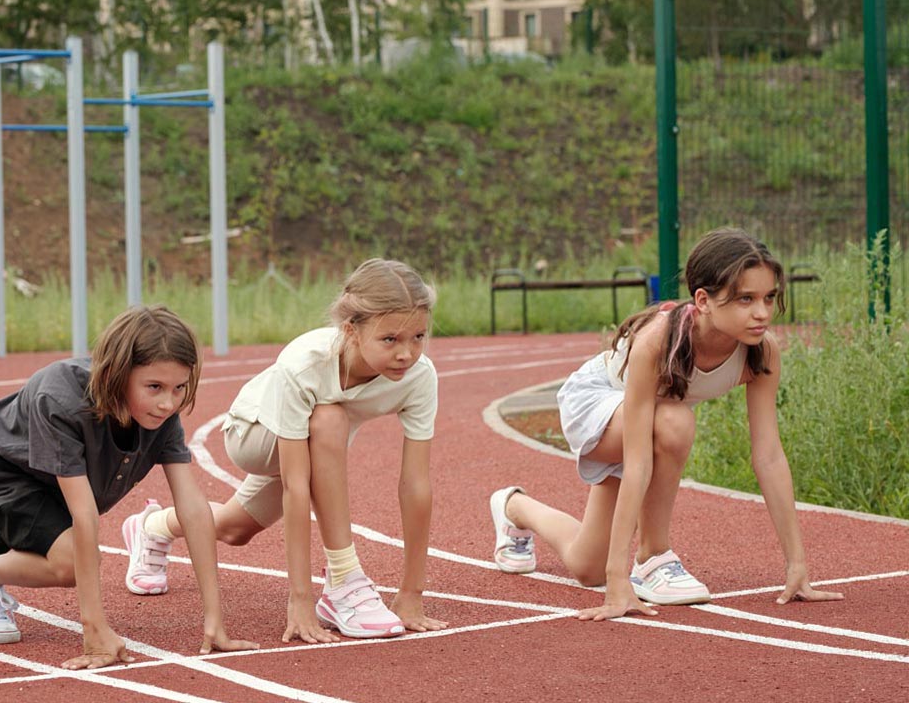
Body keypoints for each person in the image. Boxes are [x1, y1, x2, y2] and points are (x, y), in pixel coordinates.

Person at [0, 305, 256, 669]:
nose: (168, 403)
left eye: (179, 388)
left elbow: (193, 508)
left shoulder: (161, 415)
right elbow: (84, 515)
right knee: (73, 561)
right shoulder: (60, 397)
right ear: (118, 373)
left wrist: (214, 619)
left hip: (55, 481)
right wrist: (94, 631)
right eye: (154, 387)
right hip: (5, 469)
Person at [488, 227, 843, 621]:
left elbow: (769, 455)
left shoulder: (762, 352)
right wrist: (618, 579)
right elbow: (638, 461)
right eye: (745, 299)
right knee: (674, 421)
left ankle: (513, 507)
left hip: (644, 418)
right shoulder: (658, 341)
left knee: (587, 567)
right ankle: (652, 557)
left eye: (769, 297)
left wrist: (797, 564)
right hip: (597, 400)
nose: (762, 312)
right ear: (703, 300)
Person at [122, 258, 446, 643]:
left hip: (316, 448)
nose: (406, 354)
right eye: (390, 339)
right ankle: (343, 581)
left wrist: (411, 594)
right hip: (254, 434)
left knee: (233, 528)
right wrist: (300, 598)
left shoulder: (419, 377)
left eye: (418, 337)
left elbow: (415, 484)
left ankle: (151, 527)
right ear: (351, 330)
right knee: (330, 418)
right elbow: (296, 485)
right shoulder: (306, 363)